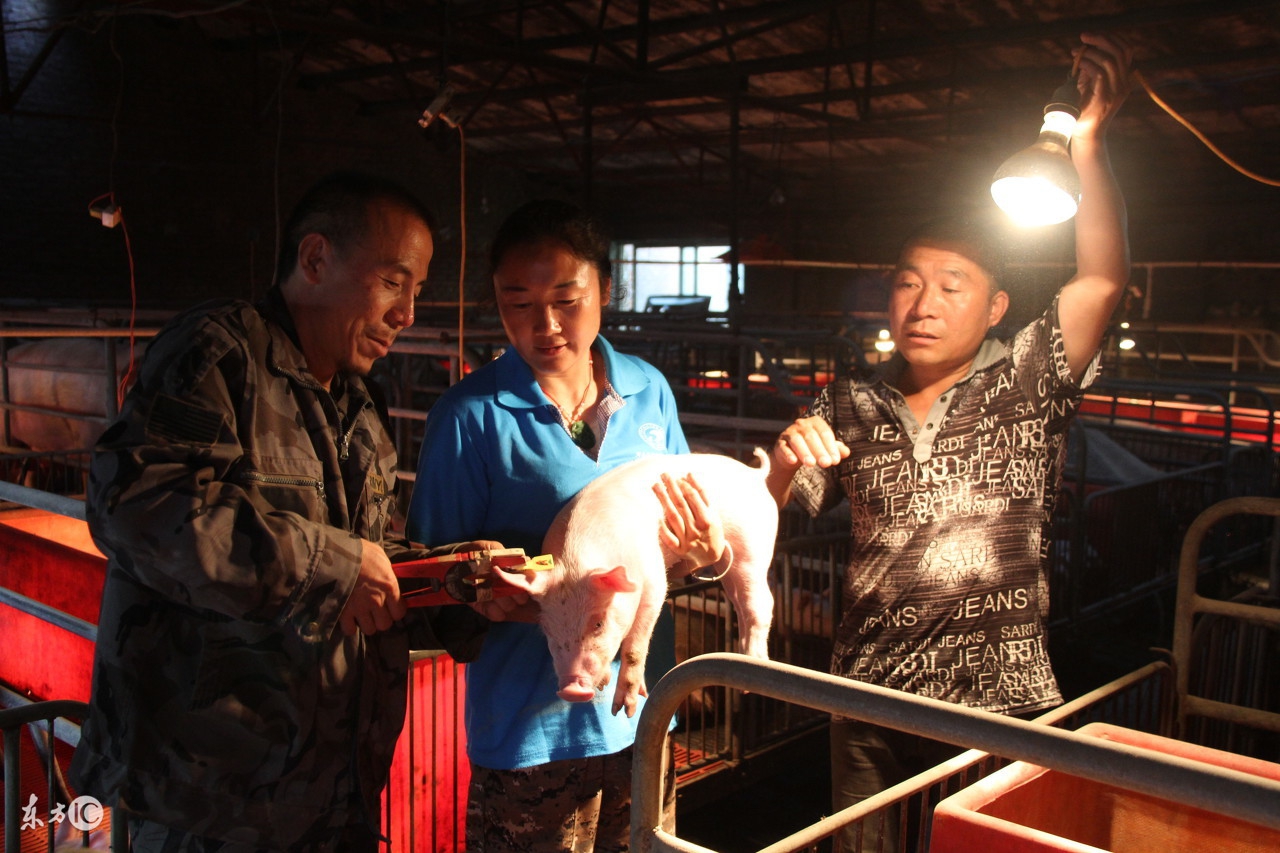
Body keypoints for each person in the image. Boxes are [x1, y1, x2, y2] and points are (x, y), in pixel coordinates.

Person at [765, 33, 1134, 852]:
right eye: (906, 282)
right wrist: (783, 461)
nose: (922, 302)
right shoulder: (851, 401)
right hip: (866, 701)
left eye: (950, 285)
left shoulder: (1031, 377)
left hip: (1000, 704)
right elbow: (777, 512)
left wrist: (1089, 145)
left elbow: (1102, 278)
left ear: (996, 305)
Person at [68, 171, 496, 852]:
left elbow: (364, 560)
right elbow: (137, 506)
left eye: (416, 290)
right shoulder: (219, 352)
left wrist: (469, 584)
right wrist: (335, 567)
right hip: (205, 801)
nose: (407, 312)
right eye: (393, 281)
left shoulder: (361, 408)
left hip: (331, 793)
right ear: (316, 259)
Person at [405, 199, 717, 852]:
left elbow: (679, 539)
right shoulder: (470, 416)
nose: (543, 324)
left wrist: (704, 554)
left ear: (606, 288)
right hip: (530, 733)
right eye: (517, 302)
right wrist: (490, 591)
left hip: (641, 714)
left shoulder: (649, 390)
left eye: (567, 299)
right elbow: (431, 583)